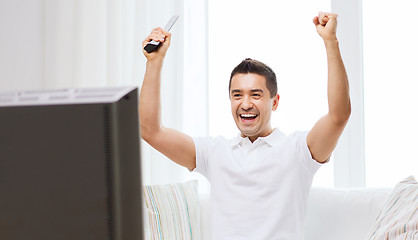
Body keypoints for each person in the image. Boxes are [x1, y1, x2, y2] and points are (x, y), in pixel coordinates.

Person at [139, 12, 351, 240]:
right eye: (237, 95)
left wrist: (331, 42)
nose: (246, 104)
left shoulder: (299, 150)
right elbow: (150, 131)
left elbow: (339, 115)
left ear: (275, 102)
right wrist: (155, 62)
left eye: (256, 94)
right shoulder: (213, 153)